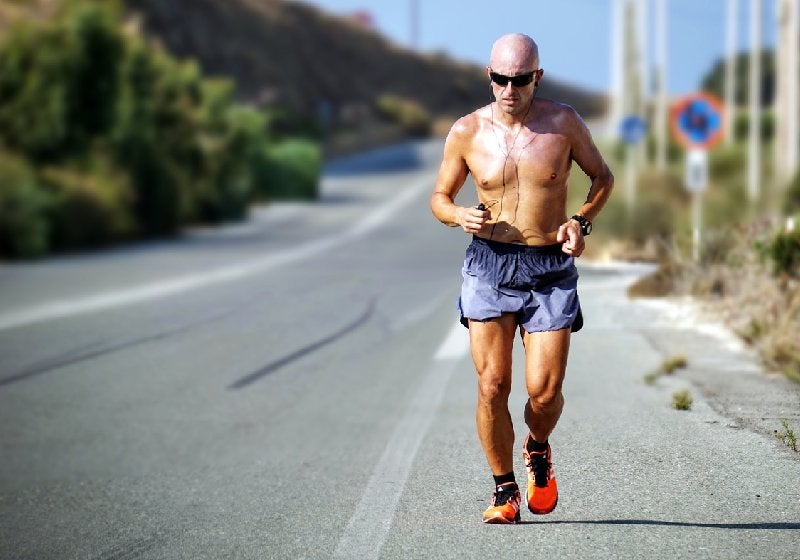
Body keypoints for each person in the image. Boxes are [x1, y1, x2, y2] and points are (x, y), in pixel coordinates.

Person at [430, 33, 613, 524]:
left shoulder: (564, 123)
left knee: (544, 392)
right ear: (488, 76)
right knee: (492, 384)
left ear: (538, 77)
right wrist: (457, 216)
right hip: (489, 264)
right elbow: (440, 197)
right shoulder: (467, 131)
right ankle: (504, 489)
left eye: (520, 79)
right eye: (500, 79)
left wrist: (581, 221)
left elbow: (603, 177)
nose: (509, 89)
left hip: (549, 267)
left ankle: (537, 446)